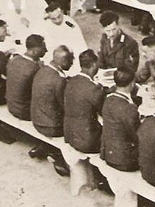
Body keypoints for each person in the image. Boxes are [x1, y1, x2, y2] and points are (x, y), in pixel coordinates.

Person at [29, 45, 73, 176]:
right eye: (70, 61)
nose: (71, 64)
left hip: (37, 120)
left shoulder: (42, 70)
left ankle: (44, 147)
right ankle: (58, 157)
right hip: (51, 127)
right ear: (64, 61)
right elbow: (65, 107)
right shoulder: (59, 80)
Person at [63, 49, 107, 154]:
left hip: (70, 135)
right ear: (93, 64)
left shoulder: (71, 81)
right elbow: (105, 113)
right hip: (88, 141)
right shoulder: (94, 89)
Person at [100, 68, 141, 172]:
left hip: (108, 155)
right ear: (132, 84)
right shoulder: (129, 108)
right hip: (125, 160)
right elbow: (137, 135)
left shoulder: (108, 100)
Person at [6, 34, 47, 122]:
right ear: (34, 52)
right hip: (25, 112)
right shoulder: (35, 69)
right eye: (43, 49)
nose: (46, 51)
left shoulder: (15, 59)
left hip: (12, 106)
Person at [35, 3, 86, 72]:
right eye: (53, 19)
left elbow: (79, 44)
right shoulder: (45, 24)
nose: (57, 21)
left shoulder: (70, 24)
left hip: (68, 55)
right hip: (51, 55)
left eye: (59, 17)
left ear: (61, 12)